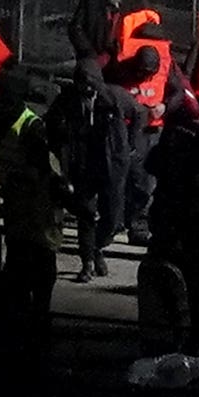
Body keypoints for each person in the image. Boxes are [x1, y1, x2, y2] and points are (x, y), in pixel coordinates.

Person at [0, 69, 73, 364]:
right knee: (18, 257)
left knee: (39, 261)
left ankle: (37, 329)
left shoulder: (32, 125)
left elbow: (48, 169)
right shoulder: (5, 118)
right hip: (17, 203)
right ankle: (20, 327)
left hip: (36, 206)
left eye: (0, 95)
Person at [144, 97, 199, 357]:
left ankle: (182, 338)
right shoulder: (197, 150)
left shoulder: (190, 151)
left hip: (187, 228)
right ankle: (185, 337)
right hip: (183, 228)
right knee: (190, 287)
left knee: (186, 286)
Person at [48, 60, 139, 282]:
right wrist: (61, 146)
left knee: (113, 216)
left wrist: (131, 144)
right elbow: (51, 123)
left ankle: (98, 246)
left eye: (91, 85)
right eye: (82, 85)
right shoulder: (68, 99)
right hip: (83, 163)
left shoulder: (113, 96)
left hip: (111, 163)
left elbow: (139, 113)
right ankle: (87, 261)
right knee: (86, 212)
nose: (87, 90)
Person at [108, 39, 199, 246]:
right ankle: (113, 223)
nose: (146, 77)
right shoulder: (121, 70)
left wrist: (165, 106)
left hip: (152, 130)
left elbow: (179, 92)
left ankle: (139, 227)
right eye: (143, 73)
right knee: (120, 177)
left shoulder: (167, 69)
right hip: (125, 128)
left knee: (146, 181)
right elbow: (111, 92)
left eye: (150, 73)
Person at [67, 0, 143, 75]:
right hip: (94, 56)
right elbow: (75, 28)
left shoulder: (132, 4)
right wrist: (87, 51)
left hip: (122, 59)